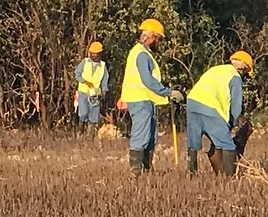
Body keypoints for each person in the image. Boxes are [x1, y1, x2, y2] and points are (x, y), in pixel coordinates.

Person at [119, 19, 183, 176]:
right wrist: (168, 92)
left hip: (147, 100)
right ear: (151, 36)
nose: (158, 42)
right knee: (141, 135)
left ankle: (147, 169)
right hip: (140, 99)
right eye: (158, 38)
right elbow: (147, 80)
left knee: (150, 136)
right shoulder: (141, 54)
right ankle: (136, 171)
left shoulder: (143, 53)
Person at [186, 51, 253, 176]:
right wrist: (232, 125)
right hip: (209, 106)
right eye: (246, 71)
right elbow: (236, 106)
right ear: (243, 66)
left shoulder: (216, 69)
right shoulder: (235, 77)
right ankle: (229, 178)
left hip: (192, 102)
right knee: (227, 144)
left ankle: (191, 174)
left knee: (193, 143)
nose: (244, 74)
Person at [74, 41, 109, 136]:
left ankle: (90, 135)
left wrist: (104, 90)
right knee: (83, 113)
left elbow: (105, 79)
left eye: (95, 53)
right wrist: (85, 82)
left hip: (95, 93)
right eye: (92, 53)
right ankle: (80, 131)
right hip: (83, 92)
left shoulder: (103, 65)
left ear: (100, 54)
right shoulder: (85, 62)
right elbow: (77, 74)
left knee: (94, 114)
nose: (93, 55)